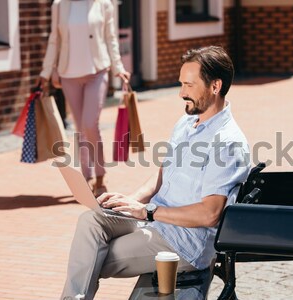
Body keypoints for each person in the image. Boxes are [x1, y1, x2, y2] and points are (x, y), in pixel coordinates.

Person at [60, 46, 250, 300]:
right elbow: (163, 173)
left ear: (215, 86)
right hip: (154, 220)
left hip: (183, 242)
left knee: (90, 257)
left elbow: (210, 213)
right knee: (91, 221)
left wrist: (147, 211)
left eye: (189, 85)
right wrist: (130, 201)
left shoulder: (227, 143)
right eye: (181, 84)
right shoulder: (187, 122)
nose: (182, 93)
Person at [39, 0, 130, 197]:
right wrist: (46, 72)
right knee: (80, 128)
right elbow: (55, 39)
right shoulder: (59, 5)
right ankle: (86, 177)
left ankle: (100, 175)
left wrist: (119, 67)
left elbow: (110, 38)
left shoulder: (104, 4)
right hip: (68, 75)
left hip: (97, 71)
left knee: (90, 123)